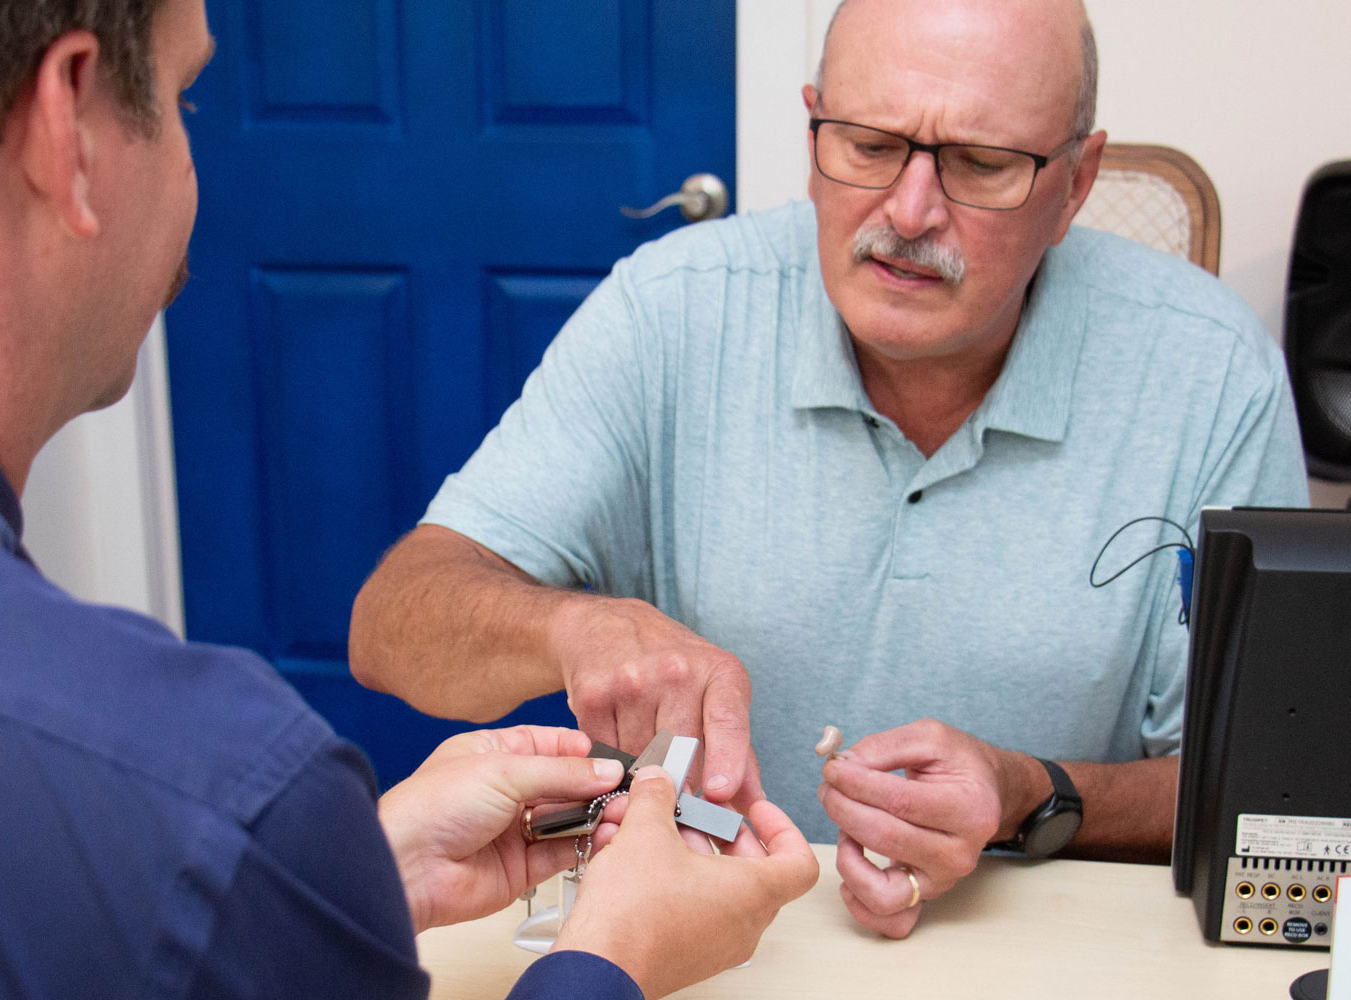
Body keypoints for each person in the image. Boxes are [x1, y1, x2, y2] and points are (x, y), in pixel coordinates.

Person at [0, 0, 820, 996]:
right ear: (69, 130)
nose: (197, 168)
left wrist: (353, 873)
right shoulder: (216, 795)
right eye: (186, 100)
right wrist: (611, 958)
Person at [348, 0, 1310, 940]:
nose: (909, 210)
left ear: (1077, 183)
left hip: (1044, 943)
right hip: (694, 944)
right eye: (868, 144)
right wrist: (574, 625)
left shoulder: (1210, 368)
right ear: (813, 132)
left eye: (982, 163)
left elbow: (1275, 784)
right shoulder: (671, 310)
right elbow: (393, 627)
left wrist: (1036, 796)